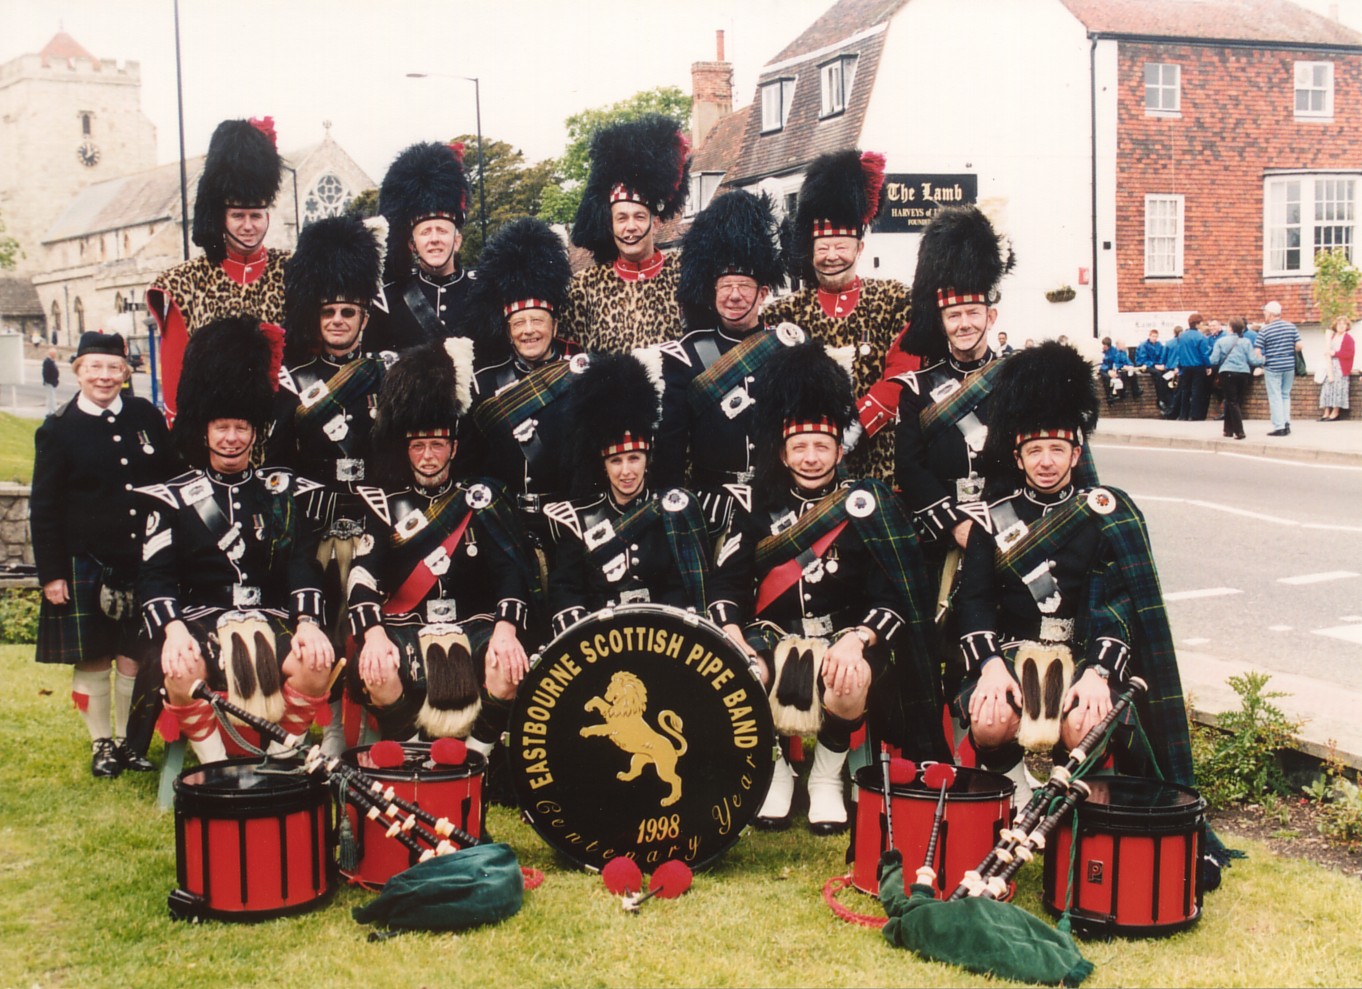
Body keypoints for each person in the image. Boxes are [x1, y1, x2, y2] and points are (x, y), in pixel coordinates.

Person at [953, 343, 1226, 877]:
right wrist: (989, 667)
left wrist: (1100, 672)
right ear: (1018, 457)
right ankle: (1019, 790)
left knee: (1088, 721)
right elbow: (975, 601)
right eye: (1035, 451)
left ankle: (1067, 812)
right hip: (1011, 654)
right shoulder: (991, 519)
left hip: (1079, 656)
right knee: (989, 719)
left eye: (1057, 449)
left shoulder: (1103, 513)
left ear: (1077, 454)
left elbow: (1121, 605)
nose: (1046, 461)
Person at [708, 342, 943, 833]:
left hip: (842, 634)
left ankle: (825, 777)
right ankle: (775, 770)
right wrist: (732, 639)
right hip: (773, 633)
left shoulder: (866, 504)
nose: (811, 458)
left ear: (840, 449)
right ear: (783, 452)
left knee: (849, 679)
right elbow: (727, 584)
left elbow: (892, 598)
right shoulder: (755, 506)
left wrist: (858, 639)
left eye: (822, 446)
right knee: (743, 672)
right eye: (800, 447)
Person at [134, 316, 335, 765]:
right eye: (221, 427)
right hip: (201, 618)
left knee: (316, 662)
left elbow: (302, 562)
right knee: (181, 667)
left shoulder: (283, 493)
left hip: (271, 614)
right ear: (205, 431)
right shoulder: (172, 497)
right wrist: (173, 630)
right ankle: (216, 767)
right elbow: (154, 576)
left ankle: (280, 761)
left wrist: (308, 622)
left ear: (255, 432)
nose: (231, 438)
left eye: (241, 428)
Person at [346, 340, 537, 751]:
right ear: (406, 450)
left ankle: (479, 755)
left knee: (507, 665)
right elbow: (362, 574)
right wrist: (374, 634)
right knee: (378, 668)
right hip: (408, 623)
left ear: (454, 447)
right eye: (418, 446)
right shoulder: (385, 505)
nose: (428, 456)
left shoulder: (480, 499)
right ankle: (411, 748)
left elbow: (509, 573)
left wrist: (506, 630)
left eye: (437, 445)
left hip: (473, 620)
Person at [266, 214, 387, 753]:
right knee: (328, 627)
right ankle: (334, 729)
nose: (338, 321)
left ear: (364, 317)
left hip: (375, 523)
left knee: (375, 626)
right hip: (317, 525)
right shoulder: (293, 384)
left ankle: (379, 727)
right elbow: (275, 465)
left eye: (348, 312)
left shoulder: (387, 375)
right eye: (329, 312)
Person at [31, 332, 176, 777]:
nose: (105, 376)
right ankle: (102, 744)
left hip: (143, 560)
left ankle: (130, 743)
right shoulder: (58, 428)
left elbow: (169, 480)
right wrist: (52, 574)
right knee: (93, 655)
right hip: (85, 561)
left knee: (135, 654)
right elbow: (45, 507)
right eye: (94, 367)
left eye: (114, 368)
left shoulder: (145, 415)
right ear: (78, 371)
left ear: (126, 373)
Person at [763, 149, 915, 483]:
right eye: (823, 247)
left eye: (841, 246)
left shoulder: (894, 299)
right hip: (807, 465)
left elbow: (905, 370)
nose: (832, 256)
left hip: (879, 463)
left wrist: (862, 419)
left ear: (859, 248)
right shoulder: (783, 313)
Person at [655, 188, 796, 538]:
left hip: (777, 504)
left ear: (763, 293)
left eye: (744, 286)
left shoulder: (788, 350)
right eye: (726, 285)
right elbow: (672, 446)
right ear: (712, 291)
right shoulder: (686, 355)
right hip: (712, 509)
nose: (734, 296)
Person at [894, 205, 1018, 587]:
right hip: (941, 531)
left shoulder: (1017, 379)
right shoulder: (917, 389)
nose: (964, 324)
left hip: (1006, 523)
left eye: (973, 313)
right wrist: (954, 524)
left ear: (990, 317)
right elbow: (910, 468)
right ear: (942, 322)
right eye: (954, 315)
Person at [545, 353, 710, 636]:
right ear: (603, 465)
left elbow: (680, 589)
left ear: (647, 459)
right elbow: (567, 592)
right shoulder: (576, 519)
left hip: (661, 637)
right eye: (615, 461)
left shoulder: (671, 512)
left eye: (634, 458)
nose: (626, 471)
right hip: (600, 640)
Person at [147, 118, 287, 422]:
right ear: (221, 217)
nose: (248, 226)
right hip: (214, 432)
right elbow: (174, 378)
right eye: (238, 215)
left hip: (283, 428)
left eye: (256, 215)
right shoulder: (183, 282)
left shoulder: (294, 270)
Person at [463, 217, 582, 552]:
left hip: (567, 524)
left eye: (537, 320)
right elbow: (473, 463)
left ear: (554, 325)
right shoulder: (483, 383)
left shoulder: (581, 373)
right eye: (519, 323)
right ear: (507, 331)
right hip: (506, 525)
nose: (529, 331)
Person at [558, 115, 690, 353]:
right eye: (621, 218)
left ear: (655, 223)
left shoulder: (684, 274)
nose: (630, 227)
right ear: (610, 225)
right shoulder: (584, 287)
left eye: (639, 217)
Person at [367, 142, 491, 358]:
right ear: (412, 244)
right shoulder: (387, 300)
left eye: (442, 230)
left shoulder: (483, 291)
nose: (434, 239)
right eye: (425, 232)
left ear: (457, 241)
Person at [1255, 300, 1302, 436]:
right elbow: (1299, 346)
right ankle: (1286, 423)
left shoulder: (1265, 330)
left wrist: (1263, 361)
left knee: (1275, 396)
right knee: (1285, 394)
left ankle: (1279, 426)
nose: (1264, 314)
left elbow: (1257, 351)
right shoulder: (1291, 327)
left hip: (1273, 367)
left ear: (1270, 314)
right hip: (1289, 366)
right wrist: (1288, 351)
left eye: (1265, 312)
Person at [1210, 317, 1261, 439]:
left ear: (1230, 328)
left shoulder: (1221, 341)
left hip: (1227, 372)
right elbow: (1253, 360)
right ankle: (1228, 430)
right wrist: (1264, 359)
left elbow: (1214, 360)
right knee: (1234, 400)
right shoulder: (1246, 342)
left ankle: (1239, 431)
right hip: (1243, 373)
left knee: (1232, 401)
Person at [1170, 312, 1212, 421]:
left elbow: (1179, 352)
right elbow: (1204, 353)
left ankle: (1183, 414)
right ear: (1197, 324)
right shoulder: (1201, 337)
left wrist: (1179, 366)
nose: (1202, 325)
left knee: (1185, 390)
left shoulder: (1182, 336)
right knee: (1197, 391)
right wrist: (1208, 366)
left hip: (1185, 367)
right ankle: (1195, 415)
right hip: (1198, 367)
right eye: (1201, 323)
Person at [1318, 315, 1354, 421]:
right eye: (1339, 324)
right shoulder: (1332, 336)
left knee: (1338, 388)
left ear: (1347, 326)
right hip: (1330, 366)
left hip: (1340, 366)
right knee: (1327, 387)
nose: (1341, 326)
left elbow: (1349, 353)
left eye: (1344, 324)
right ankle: (1326, 412)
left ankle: (1335, 412)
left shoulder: (1348, 339)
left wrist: (1335, 353)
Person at [1134, 329, 1173, 415]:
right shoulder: (1144, 345)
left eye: (1156, 336)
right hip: (1145, 365)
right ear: (1149, 336)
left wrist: (1161, 364)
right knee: (1157, 374)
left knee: (1167, 374)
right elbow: (1142, 359)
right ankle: (1161, 399)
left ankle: (1169, 399)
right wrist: (1154, 365)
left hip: (1156, 365)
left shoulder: (1159, 345)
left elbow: (1162, 356)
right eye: (1153, 336)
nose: (1154, 338)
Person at [1098, 336, 1141, 404]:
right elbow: (1101, 363)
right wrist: (1108, 370)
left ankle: (1121, 393)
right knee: (1107, 377)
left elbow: (1116, 361)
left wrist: (1127, 366)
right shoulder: (1101, 352)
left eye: (1106, 346)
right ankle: (1110, 396)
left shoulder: (1114, 351)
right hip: (1103, 369)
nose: (1104, 347)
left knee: (1124, 375)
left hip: (1111, 368)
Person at [41, 347, 59, 415]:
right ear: (51, 354)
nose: (55, 355)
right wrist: (48, 381)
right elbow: (45, 372)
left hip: (53, 382)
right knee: (50, 397)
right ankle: (51, 411)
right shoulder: (47, 362)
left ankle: (53, 409)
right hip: (50, 382)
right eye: (54, 354)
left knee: (52, 396)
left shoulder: (52, 361)